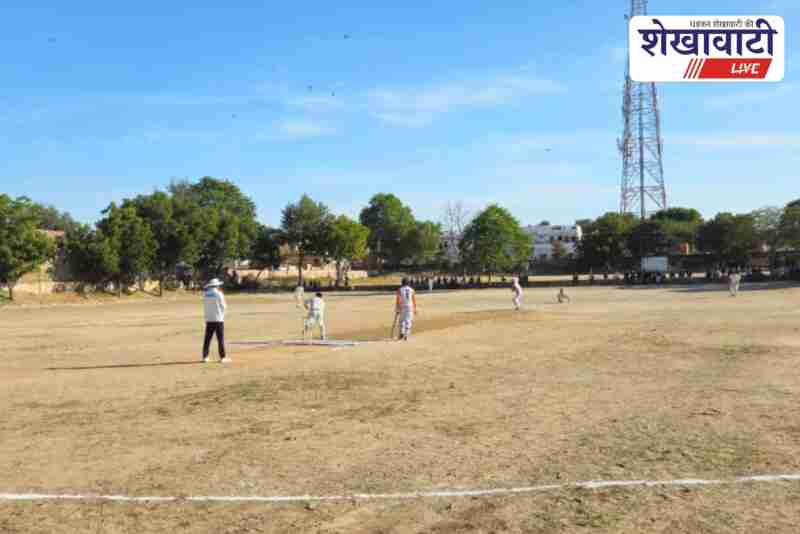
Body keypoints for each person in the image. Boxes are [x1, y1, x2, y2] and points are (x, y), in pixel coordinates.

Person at [202, 278, 229, 363]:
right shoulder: (219, 294)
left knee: (207, 339)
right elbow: (224, 306)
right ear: (217, 285)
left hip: (209, 319)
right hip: (218, 319)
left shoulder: (205, 294)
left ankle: (205, 357)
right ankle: (223, 357)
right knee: (220, 339)